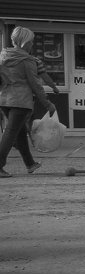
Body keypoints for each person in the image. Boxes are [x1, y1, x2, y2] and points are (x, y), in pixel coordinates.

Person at [0, 27, 57, 178]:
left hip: (4, 99)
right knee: (10, 133)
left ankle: (30, 163)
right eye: (31, 42)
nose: (32, 44)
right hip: (21, 101)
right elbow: (35, 84)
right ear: (25, 43)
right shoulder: (27, 60)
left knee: (19, 133)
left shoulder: (3, 56)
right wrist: (47, 104)